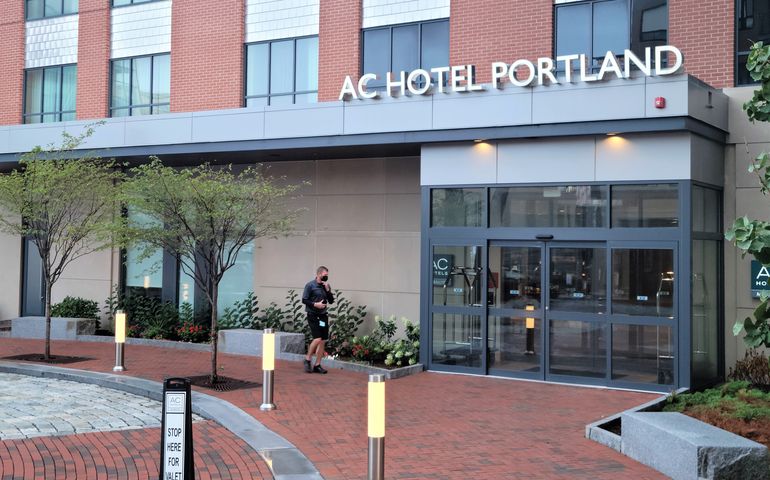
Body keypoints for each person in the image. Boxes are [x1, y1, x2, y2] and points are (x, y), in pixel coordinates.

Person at [302, 266, 334, 374]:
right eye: (325, 275)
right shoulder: (310, 285)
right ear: (319, 274)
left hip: (323, 316)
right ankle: (307, 359)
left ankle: (317, 365)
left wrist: (328, 291)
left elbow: (331, 301)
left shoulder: (326, 286)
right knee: (317, 338)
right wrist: (316, 304)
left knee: (323, 340)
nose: (326, 277)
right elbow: (304, 300)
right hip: (313, 315)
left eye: (327, 275)